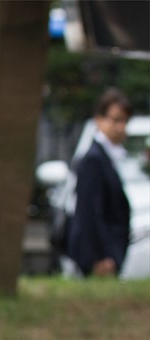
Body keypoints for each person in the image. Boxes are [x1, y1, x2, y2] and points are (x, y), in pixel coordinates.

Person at [67, 88, 132, 277]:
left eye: (125, 121)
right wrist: (101, 256)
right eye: (116, 120)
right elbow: (90, 212)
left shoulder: (109, 156)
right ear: (99, 120)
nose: (121, 127)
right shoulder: (93, 159)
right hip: (99, 258)